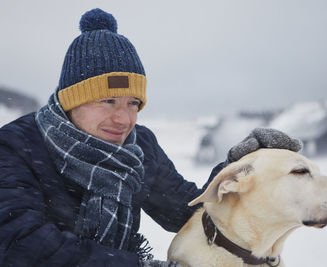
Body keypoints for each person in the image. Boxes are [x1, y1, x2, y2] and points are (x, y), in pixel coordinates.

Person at [0, 8, 301, 267]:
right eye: (108, 102)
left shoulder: (138, 146)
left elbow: (186, 211)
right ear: (71, 101)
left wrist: (237, 164)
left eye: (134, 103)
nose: (124, 119)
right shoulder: (16, 146)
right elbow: (21, 245)